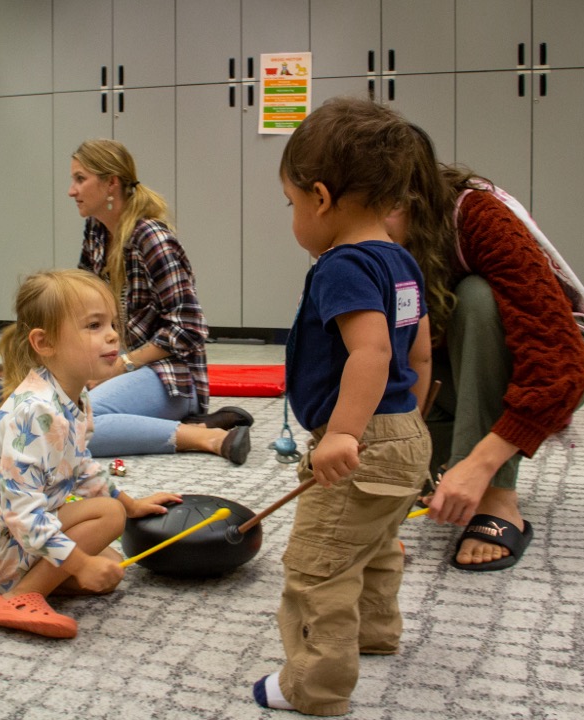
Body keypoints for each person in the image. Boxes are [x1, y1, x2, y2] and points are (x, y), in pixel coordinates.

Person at [253, 98, 432, 716]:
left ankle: (314, 686)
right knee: (377, 543)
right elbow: (422, 354)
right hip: (406, 431)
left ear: (321, 199)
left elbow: (372, 351)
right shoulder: (402, 261)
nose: (294, 217)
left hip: (363, 440)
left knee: (318, 564)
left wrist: (346, 433)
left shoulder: (341, 265)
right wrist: (405, 423)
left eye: (292, 203)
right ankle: (375, 632)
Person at [386, 125, 584, 572]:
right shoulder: (359, 248)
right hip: (449, 383)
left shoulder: (477, 214)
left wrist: (480, 466)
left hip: (553, 360)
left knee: (478, 298)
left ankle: (499, 500)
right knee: (407, 487)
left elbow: (562, 366)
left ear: (405, 200)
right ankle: (459, 464)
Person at [0, 269, 182, 639]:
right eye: (94, 326)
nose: (113, 334)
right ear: (44, 343)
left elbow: (79, 465)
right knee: (105, 525)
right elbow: (23, 513)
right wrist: (79, 563)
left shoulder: (72, 396)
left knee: (110, 568)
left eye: (112, 322)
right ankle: (19, 594)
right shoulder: (35, 413)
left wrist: (131, 503)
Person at [69, 139, 252, 464]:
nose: (72, 190)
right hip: (122, 363)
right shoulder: (96, 233)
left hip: (171, 374)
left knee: (76, 428)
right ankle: (189, 426)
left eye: (80, 179)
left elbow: (189, 329)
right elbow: (85, 307)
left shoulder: (152, 238)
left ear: (111, 182)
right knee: (49, 413)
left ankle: (206, 436)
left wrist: (120, 367)